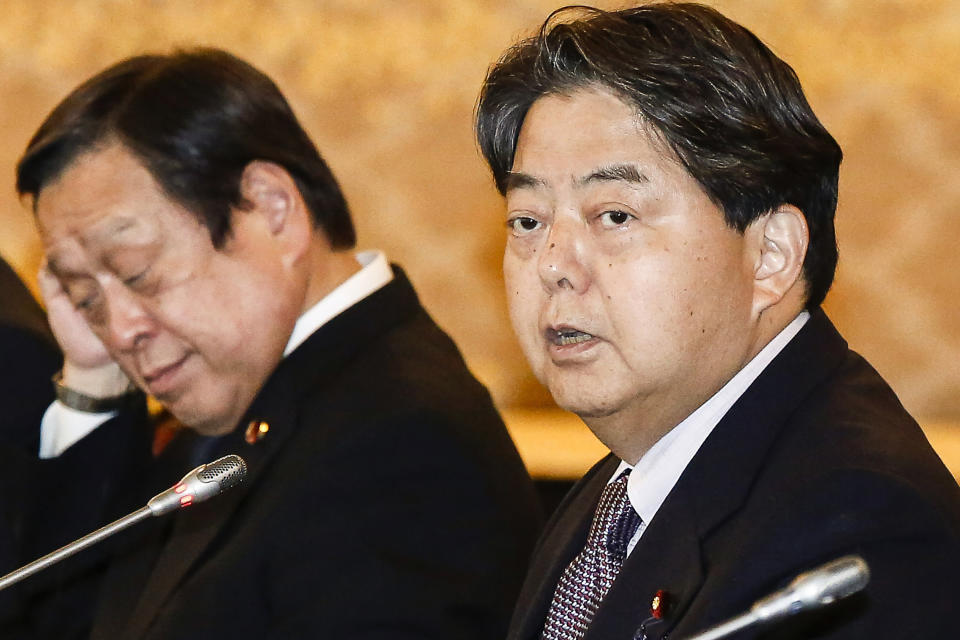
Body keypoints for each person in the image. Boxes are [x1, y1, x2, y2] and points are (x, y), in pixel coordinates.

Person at [10, 48, 541, 639]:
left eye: (137, 272)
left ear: (270, 209)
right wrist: (93, 383)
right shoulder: (247, 404)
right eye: (86, 298)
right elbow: (66, 620)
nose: (121, 328)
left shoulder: (396, 442)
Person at [475, 3, 960, 639]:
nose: (553, 266)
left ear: (771, 254)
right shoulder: (624, 487)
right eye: (528, 221)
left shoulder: (856, 526)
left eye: (615, 215)